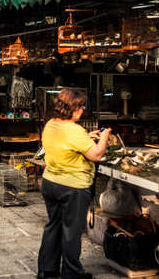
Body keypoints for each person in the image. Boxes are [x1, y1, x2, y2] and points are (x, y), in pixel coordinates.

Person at [37, 89, 110, 279]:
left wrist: (87, 137)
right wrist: (104, 138)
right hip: (73, 187)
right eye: (81, 106)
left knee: (53, 226)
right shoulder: (74, 130)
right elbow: (96, 154)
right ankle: (72, 274)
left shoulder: (51, 124)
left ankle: (47, 270)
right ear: (73, 108)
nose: (83, 109)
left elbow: (68, 141)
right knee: (71, 231)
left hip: (50, 183)